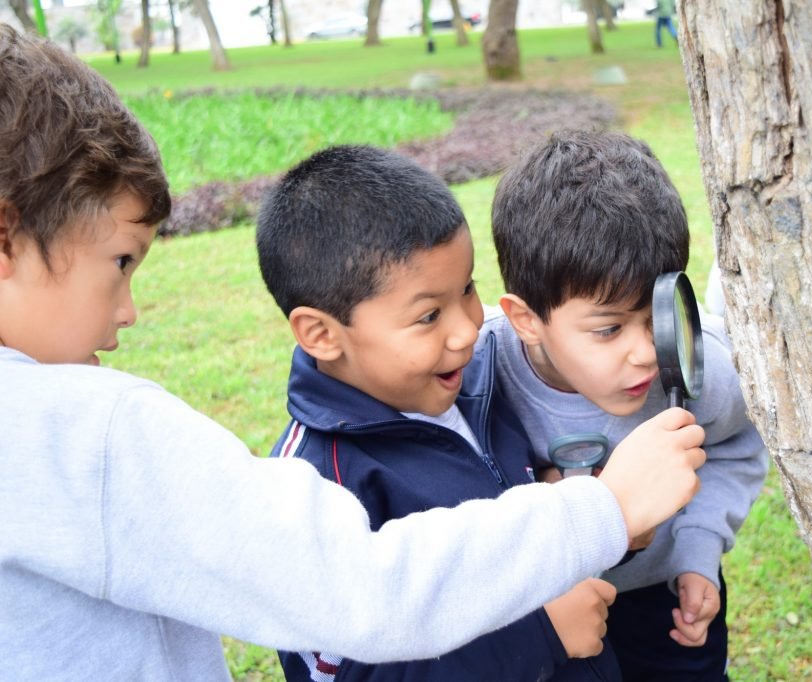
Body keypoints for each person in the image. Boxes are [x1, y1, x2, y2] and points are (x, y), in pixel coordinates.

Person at [0, 26, 708, 680]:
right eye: (121, 261)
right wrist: (602, 509)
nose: (129, 309)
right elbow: (360, 594)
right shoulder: (85, 433)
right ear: (8, 238)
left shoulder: (470, 384)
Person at [255, 144, 706, 681]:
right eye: (428, 316)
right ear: (322, 334)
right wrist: (539, 635)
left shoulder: (478, 382)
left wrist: (602, 527)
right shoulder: (313, 487)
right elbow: (335, 672)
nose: (469, 328)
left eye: (467, 289)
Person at [487, 129, 769, 681]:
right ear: (527, 320)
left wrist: (698, 551)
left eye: (654, 317)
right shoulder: (479, 376)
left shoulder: (701, 370)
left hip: (662, 595)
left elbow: (736, 442)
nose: (645, 353)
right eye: (609, 328)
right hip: (541, 606)